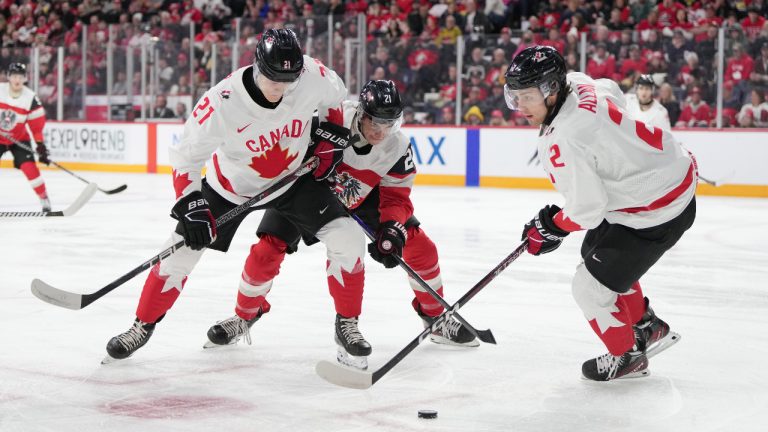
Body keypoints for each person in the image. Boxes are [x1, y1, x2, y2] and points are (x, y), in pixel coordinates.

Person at [103, 29, 366, 366]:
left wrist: (332, 136)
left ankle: (347, 325)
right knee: (180, 250)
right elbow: (186, 157)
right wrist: (191, 204)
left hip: (292, 179)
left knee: (347, 236)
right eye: (273, 79)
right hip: (230, 188)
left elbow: (335, 100)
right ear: (257, 66)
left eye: (289, 79)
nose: (281, 88)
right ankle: (141, 326)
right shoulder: (221, 102)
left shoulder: (311, 75)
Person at [203, 80, 479, 369]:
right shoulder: (330, 118)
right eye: (374, 121)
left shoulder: (397, 148)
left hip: (362, 197)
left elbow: (396, 196)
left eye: (389, 124)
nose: (380, 132)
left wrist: (391, 227)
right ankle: (245, 316)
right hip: (305, 192)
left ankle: (435, 317)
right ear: (361, 112)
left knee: (418, 245)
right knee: (266, 251)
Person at [504, 46, 697, 381]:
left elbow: (588, 210)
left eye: (526, 97)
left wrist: (549, 227)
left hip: (658, 209)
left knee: (588, 289)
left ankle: (627, 356)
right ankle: (647, 326)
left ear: (551, 90)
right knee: (594, 254)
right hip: (669, 177)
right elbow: (611, 89)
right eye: (513, 96)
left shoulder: (562, 139)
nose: (518, 106)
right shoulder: (578, 83)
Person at [0, 62, 52, 211]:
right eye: (14, 76)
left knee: (29, 168)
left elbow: (36, 127)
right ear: (9, 77)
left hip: (18, 139)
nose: (17, 80)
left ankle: (44, 198)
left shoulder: (30, 98)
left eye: (20, 77)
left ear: (25, 79)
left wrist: (40, 146)